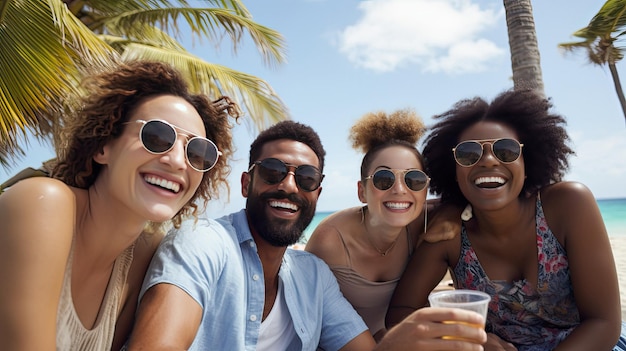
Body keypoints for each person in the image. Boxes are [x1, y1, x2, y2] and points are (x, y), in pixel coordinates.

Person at [126, 120, 487, 351]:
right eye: (272, 172)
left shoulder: (313, 277)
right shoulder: (203, 243)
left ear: (317, 192)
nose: (288, 186)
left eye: (306, 179)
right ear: (246, 182)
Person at [0, 60, 238, 350]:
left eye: (197, 152)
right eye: (157, 136)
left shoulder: (143, 254)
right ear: (104, 145)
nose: (177, 161)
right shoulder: (42, 203)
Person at [387, 88, 626, 351]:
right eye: (469, 153)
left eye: (506, 150)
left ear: (527, 162)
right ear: (453, 169)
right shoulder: (449, 233)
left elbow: (604, 323)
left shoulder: (567, 204)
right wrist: (462, 336)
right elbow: (400, 312)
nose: (489, 160)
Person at [305, 109, 430, 341]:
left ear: (425, 190)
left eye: (414, 179)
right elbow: (307, 318)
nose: (400, 190)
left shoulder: (423, 222)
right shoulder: (331, 240)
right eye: (384, 179)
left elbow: (468, 202)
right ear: (361, 191)